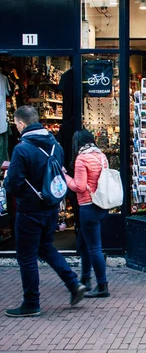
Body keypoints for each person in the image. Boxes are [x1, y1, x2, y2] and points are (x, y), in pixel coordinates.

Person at [3, 106, 86, 317]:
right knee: (46, 248)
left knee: (27, 256)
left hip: (29, 209)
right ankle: (73, 283)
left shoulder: (21, 149)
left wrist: (8, 182)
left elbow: (14, 183)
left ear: (21, 124)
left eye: (16, 124)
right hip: (50, 206)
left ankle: (31, 302)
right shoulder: (55, 145)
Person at [63, 130, 110, 297]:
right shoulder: (101, 156)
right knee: (83, 243)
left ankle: (102, 285)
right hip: (101, 205)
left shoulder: (81, 159)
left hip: (88, 206)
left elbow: (79, 186)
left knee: (94, 248)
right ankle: (85, 279)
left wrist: (65, 177)